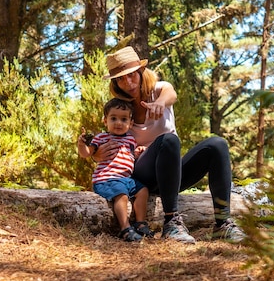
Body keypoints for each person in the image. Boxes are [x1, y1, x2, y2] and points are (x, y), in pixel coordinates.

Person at [92, 46, 246, 244]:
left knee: (217, 144)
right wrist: (96, 154)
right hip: (141, 177)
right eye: (120, 79)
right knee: (168, 139)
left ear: (140, 72)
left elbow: (170, 94)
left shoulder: (160, 89)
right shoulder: (120, 109)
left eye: (131, 75)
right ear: (115, 83)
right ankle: (172, 222)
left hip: (171, 174)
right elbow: (106, 140)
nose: (127, 82)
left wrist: (161, 103)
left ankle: (223, 224)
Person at [77, 98, 153, 242]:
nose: (119, 123)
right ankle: (125, 228)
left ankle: (141, 223)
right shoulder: (102, 138)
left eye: (124, 119)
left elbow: (130, 157)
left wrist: (138, 153)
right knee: (122, 195)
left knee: (143, 191)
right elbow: (86, 153)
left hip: (126, 179)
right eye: (114, 118)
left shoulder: (131, 139)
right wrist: (82, 145)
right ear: (105, 121)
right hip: (106, 179)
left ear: (130, 123)